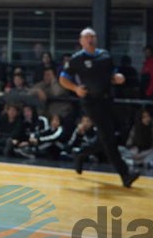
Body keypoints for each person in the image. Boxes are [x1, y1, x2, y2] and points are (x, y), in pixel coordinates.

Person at [59, 28, 140, 188]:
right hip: (91, 102)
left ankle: (80, 153)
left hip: (107, 99)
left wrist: (117, 78)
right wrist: (75, 89)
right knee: (108, 138)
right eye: (87, 37)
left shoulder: (105, 55)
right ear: (81, 41)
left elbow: (112, 73)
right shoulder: (76, 59)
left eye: (92, 37)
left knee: (109, 134)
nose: (90, 40)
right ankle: (125, 174)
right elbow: (63, 78)